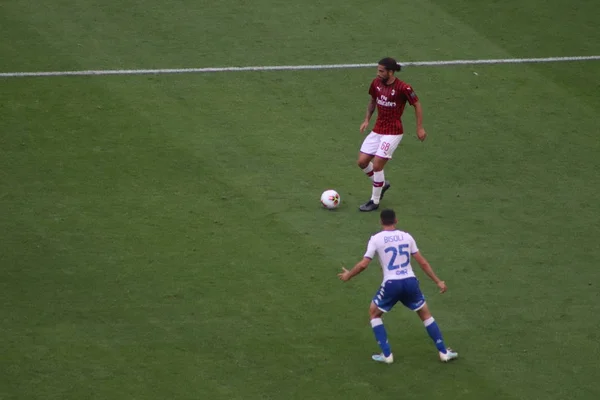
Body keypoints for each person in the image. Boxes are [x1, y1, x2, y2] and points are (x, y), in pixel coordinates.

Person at [337, 209, 458, 364]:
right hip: (410, 281)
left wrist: (348, 275)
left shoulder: (376, 239)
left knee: (374, 314)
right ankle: (443, 352)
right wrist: (438, 281)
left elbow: (363, 264)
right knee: (425, 315)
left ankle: (387, 355)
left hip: (392, 283)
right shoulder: (407, 237)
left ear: (381, 221)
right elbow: (422, 262)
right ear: (396, 220)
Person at [357, 57, 427, 212]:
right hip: (378, 129)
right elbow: (372, 101)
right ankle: (382, 183)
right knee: (362, 162)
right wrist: (366, 120)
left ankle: (374, 201)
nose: (378, 73)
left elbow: (417, 104)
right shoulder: (376, 84)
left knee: (377, 165)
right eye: (378, 70)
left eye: (381, 71)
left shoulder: (403, 88)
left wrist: (420, 128)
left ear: (390, 71)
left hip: (393, 132)